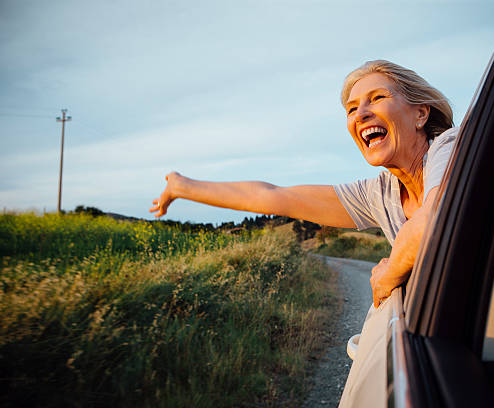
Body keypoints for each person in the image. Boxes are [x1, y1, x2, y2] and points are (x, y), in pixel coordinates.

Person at [150, 60, 457, 307]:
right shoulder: (380, 194)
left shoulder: (449, 147)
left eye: (377, 98)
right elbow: (273, 197)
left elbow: (434, 219)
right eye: (352, 108)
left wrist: (390, 272)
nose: (361, 113)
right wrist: (183, 186)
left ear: (420, 113)